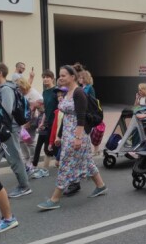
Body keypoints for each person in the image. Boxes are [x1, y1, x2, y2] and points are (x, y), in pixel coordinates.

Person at [37, 65, 107, 210]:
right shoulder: (67, 92)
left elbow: (81, 117)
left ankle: (55, 199)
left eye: (63, 75)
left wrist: (78, 138)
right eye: (60, 75)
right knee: (87, 162)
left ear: (73, 77)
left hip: (77, 135)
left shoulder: (78, 92)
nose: (60, 78)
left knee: (64, 164)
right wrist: (60, 135)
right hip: (68, 134)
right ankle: (101, 186)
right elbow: (66, 116)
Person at [0, 63, 32, 198]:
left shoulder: (6, 89)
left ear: (0, 73)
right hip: (2, 130)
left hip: (8, 129)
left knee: (14, 158)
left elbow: (6, 111)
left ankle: (24, 186)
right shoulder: (1, 88)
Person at [30, 70, 58, 179]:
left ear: (52, 78)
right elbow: (46, 110)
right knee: (50, 144)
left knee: (49, 145)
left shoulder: (56, 91)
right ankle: (54, 163)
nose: (45, 79)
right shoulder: (45, 92)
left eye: (48, 77)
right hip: (48, 123)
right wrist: (42, 122)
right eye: (44, 77)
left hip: (57, 122)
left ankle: (45, 169)